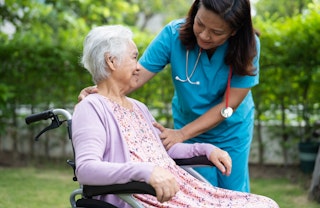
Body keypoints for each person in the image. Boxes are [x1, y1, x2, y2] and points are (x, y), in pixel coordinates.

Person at [72, 24, 279, 208]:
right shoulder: (92, 108)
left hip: (186, 192)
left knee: (264, 204)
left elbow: (162, 150)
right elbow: (86, 169)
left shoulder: (137, 107)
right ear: (111, 61)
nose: (138, 66)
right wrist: (146, 172)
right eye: (134, 57)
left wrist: (207, 150)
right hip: (151, 198)